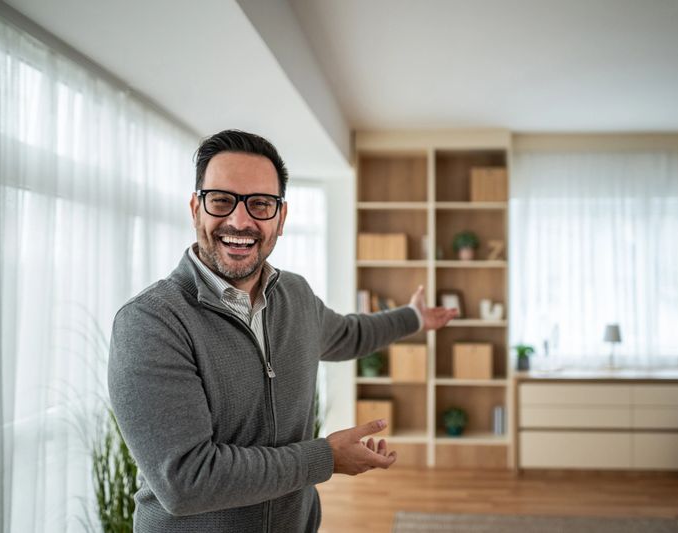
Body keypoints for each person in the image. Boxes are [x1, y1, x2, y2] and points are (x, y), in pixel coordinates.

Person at [108, 129, 457, 532]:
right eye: (221, 200)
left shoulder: (295, 293)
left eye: (260, 204)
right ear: (195, 208)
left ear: (281, 217)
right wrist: (325, 457)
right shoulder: (150, 322)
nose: (240, 220)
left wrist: (412, 318)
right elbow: (186, 481)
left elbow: (349, 334)